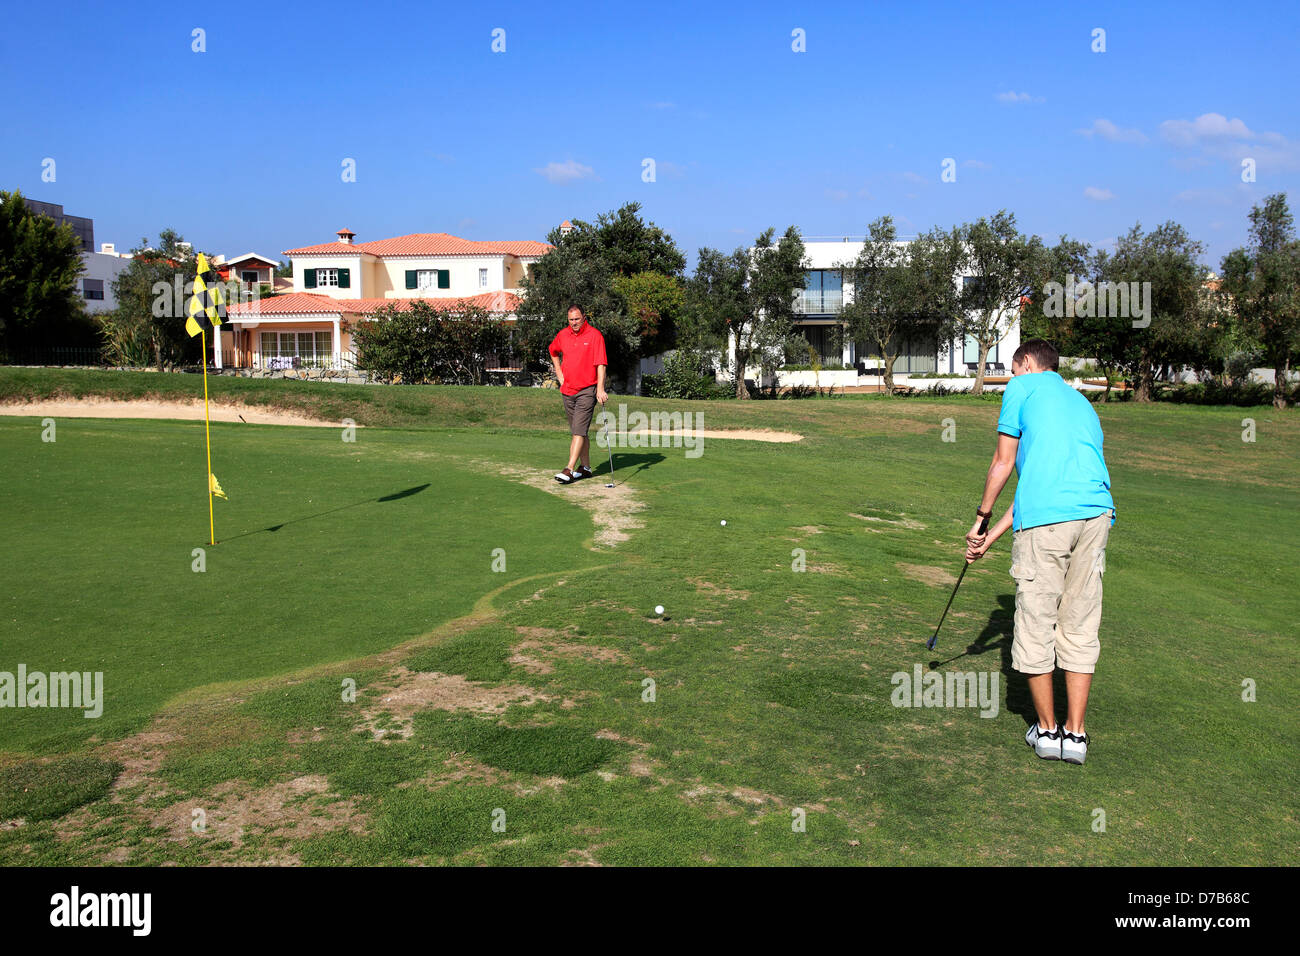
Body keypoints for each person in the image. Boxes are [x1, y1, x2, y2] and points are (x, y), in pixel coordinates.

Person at [964, 338, 1115, 764]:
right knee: (1081, 622)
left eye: (1014, 370)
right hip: (1096, 515)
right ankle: (1077, 735)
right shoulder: (1081, 403)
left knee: (1035, 619)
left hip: (1051, 522)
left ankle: (1048, 732)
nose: (1011, 379)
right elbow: (1038, 490)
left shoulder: (1020, 388)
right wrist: (989, 539)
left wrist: (980, 516)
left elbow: (1003, 462)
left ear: (1026, 363)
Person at [547, 304, 609, 484]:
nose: (574, 323)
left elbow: (601, 364)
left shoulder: (595, 335)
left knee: (579, 430)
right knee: (579, 431)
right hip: (568, 390)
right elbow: (553, 351)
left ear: (584, 317)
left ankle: (569, 468)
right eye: (571, 320)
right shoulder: (563, 334)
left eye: (577, 319)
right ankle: (586, 467)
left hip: (587, 390)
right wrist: (559, 373)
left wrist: (600, 388)